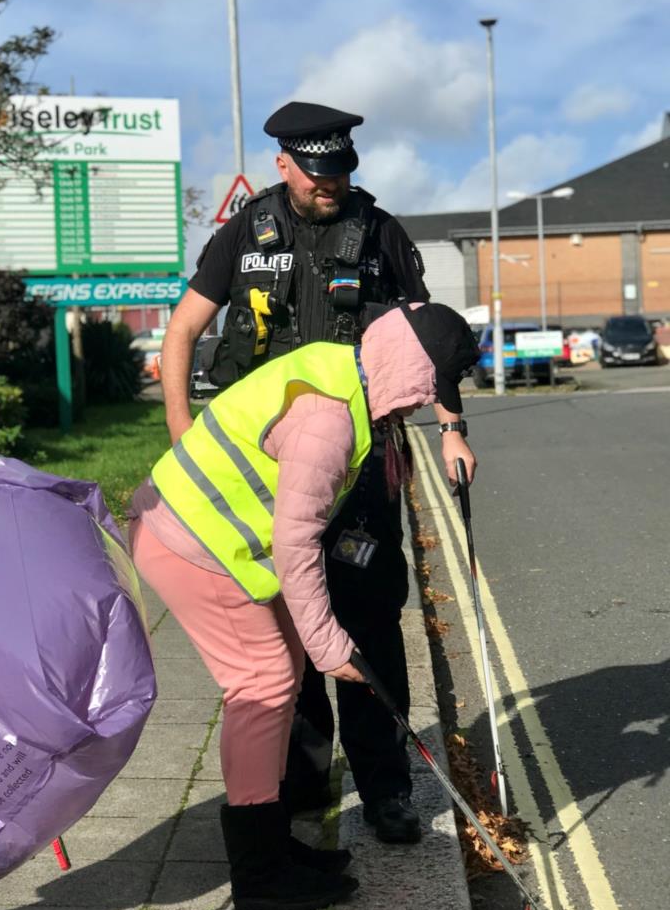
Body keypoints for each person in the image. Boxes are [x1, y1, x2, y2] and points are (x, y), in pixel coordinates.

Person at [160, 101, 477, 843]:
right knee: (283, 622)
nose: (328, 184)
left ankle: (386, 788)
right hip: (268, 466)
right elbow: (182, 330)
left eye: (338, 172)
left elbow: (430, 337)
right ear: (283, 165)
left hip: (360, 460)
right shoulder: (244, 232)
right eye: (315, 173)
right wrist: (180, 431)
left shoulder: (381, 232)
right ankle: (301, 784)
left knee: (368, 619)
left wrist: (451, 428)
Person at [131, 301, 480, 910]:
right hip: (188, 542)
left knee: (282, 673)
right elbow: (297, 542)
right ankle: (259, 873)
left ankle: (272, 842)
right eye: (426, 389)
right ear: (406, 366)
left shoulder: (340, 371)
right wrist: (328, 643)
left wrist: (315, 642)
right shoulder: (328, 423)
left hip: (205, 536)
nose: (420, 405)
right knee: (262, 683)